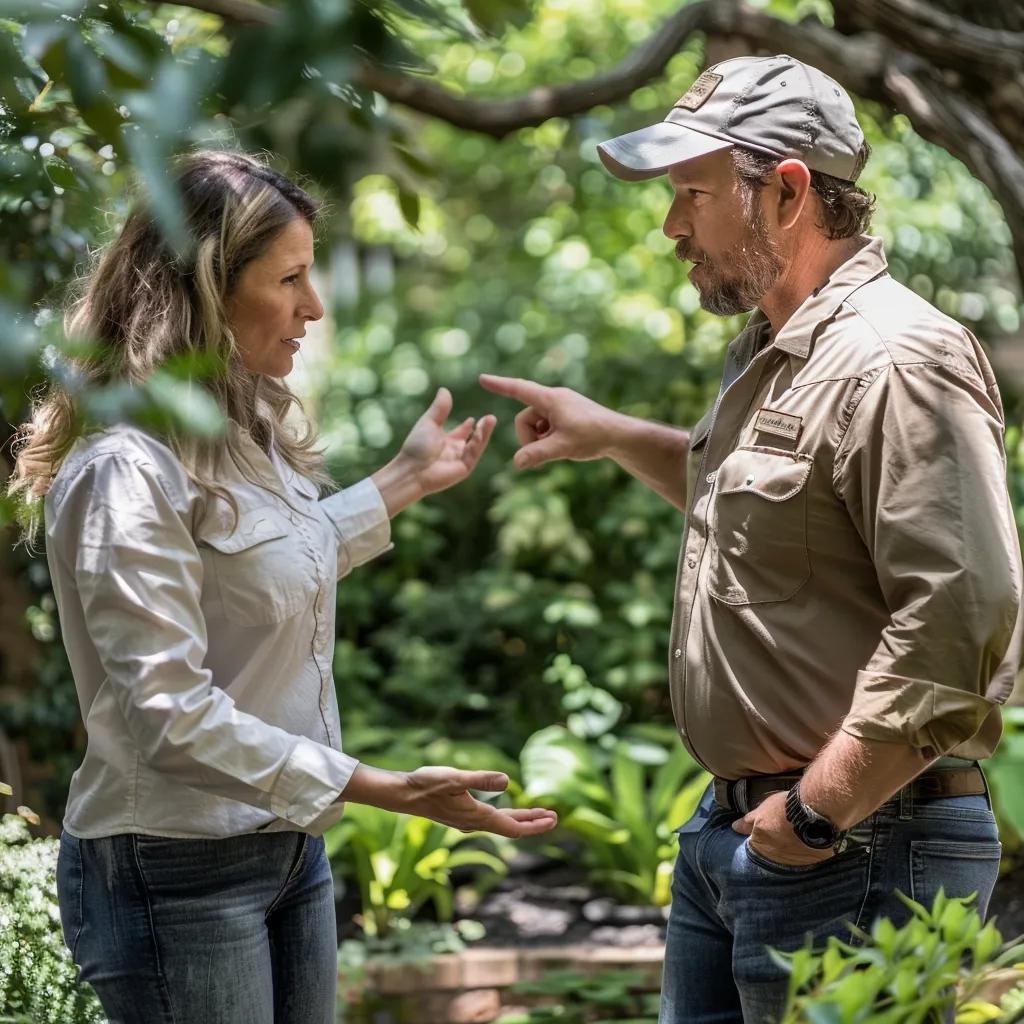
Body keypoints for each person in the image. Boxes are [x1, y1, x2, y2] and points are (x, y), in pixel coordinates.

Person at [481, 53, 1023, 1024]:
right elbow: (760, 507)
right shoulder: (771, 350)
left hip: (854, 841)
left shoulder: (895, 357)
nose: (671, 226)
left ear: (785, 192)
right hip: (751, 831)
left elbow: (961, 612)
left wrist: (814, 811)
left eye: (692, 193)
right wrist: (611, 436)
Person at [6, 149, 557, 1024]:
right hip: (173, 870)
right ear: (204, 289)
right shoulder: (124, 471)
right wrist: (381, 787)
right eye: (291, 278)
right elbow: (168, 712)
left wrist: (403, 481)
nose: (315, 306)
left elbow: (257, 572)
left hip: (288, 854)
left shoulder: (239, 426)